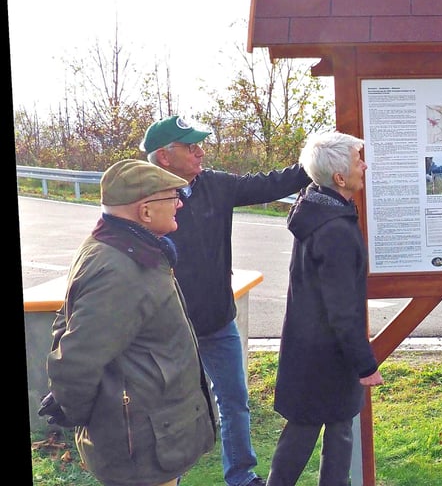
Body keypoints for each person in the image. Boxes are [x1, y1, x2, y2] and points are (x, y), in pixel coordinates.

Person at [141, 115, 311, 486]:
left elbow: (270, 184)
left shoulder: (214, 185)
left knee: (234, 402)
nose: (201, 151)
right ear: (164, 157)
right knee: (172, 409)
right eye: (191, 146)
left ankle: (241, 475)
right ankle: (169, 478)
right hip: (168, 330)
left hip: (218, 322)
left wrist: (315, 163)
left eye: (200, 144)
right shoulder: (142, 199)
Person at [40, 159, 216, 486]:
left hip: (153, 434)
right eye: (171, 197)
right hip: (142, 448)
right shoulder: (120, 268)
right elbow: (75, 362)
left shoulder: (127, 247)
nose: (179, 203)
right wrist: (89, 419)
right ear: (145, 211)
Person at [267, 131, 384, 486]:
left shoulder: (317, 208)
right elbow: (342, 307)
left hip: (311, 346)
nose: (364, 165)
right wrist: (365, 364)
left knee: (333, 429)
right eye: (357, 160)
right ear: (339, 177)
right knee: (307, 433)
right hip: (326, 352)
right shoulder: (335, 230)